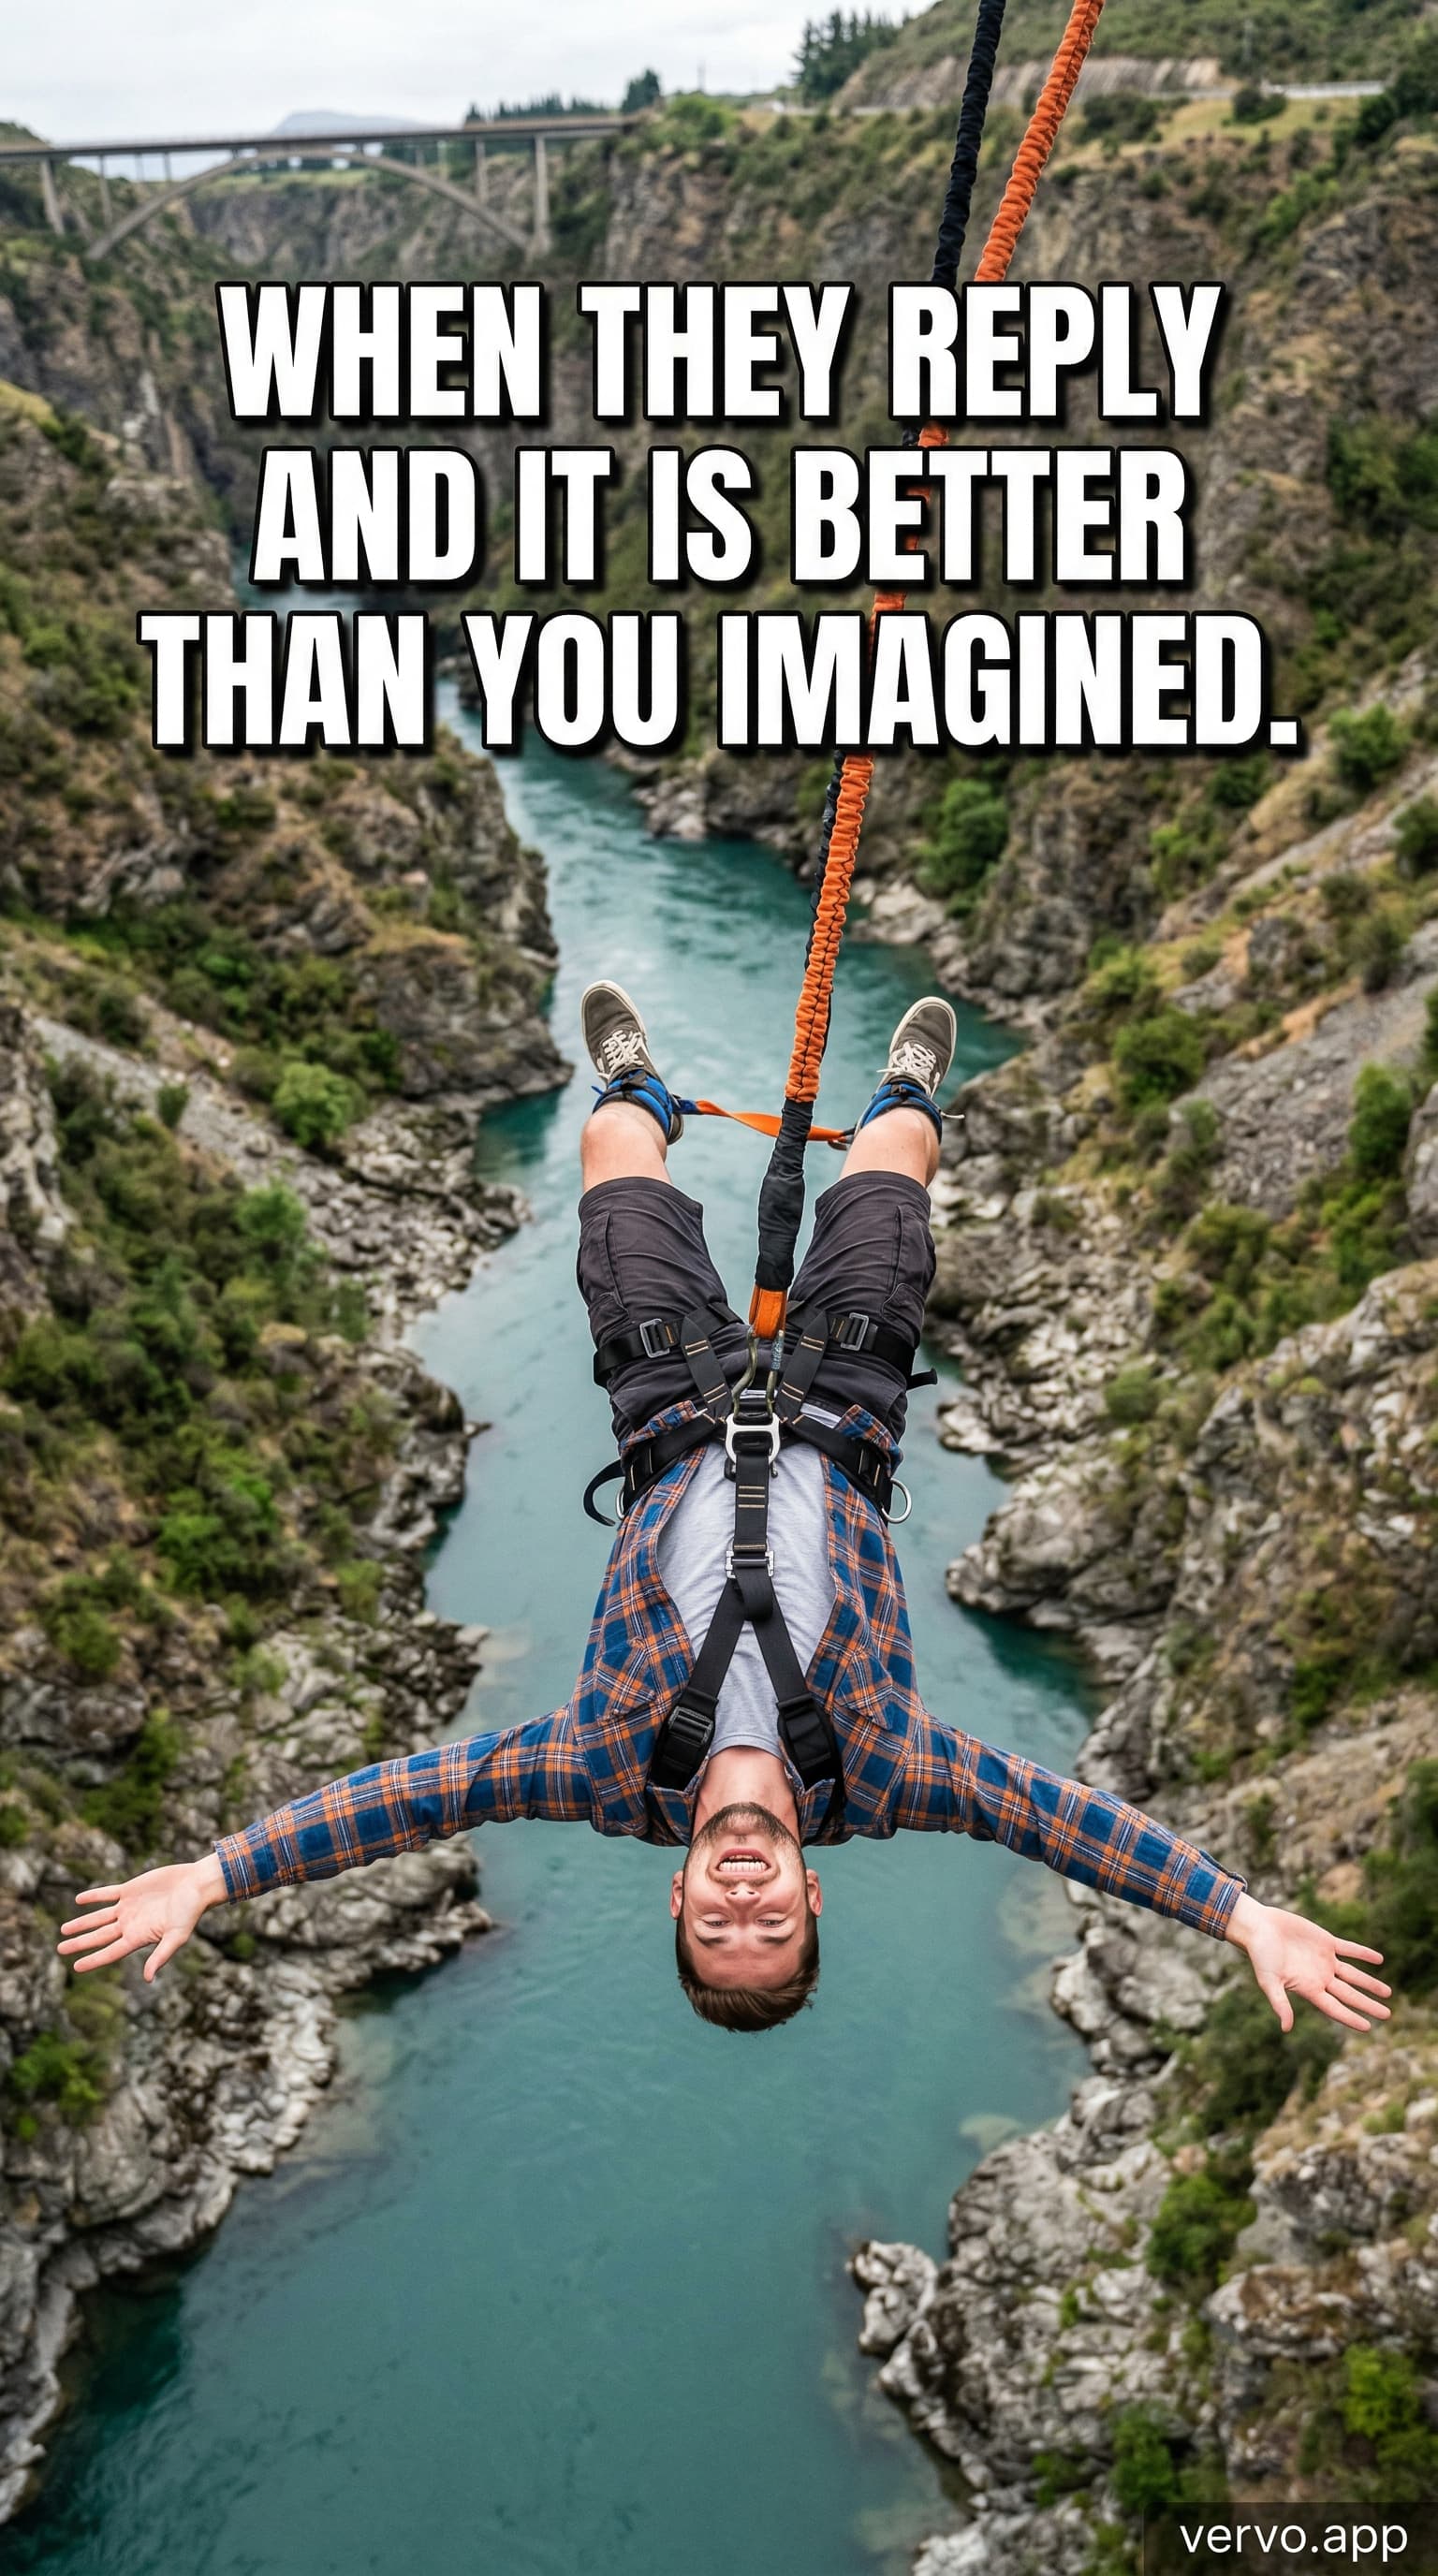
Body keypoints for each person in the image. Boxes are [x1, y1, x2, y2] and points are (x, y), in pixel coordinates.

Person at [59, 986, 1390, 2039]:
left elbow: (414, 1796)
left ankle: (638, 1084)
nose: (742, 1902)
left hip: (671, 1405)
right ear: (812, 1895)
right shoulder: (884, 1776)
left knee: (607, 1151)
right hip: (841, 1404)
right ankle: (909, 1091)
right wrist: (1240, 1916)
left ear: (680, 1897)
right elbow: (1060, 1819)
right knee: (893, 1158)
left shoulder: (600, 1767)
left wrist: (214, 1876)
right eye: (771, 1926)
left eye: (718, 1926)